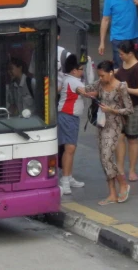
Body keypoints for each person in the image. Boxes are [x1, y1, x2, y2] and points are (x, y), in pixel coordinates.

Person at [88, 60, 134, 205]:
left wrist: (112, 110)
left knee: (107, 156)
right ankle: (112, 193)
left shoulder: (121, 87)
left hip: (114, 124)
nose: (100, 78)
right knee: (103, 158)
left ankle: (123, 184)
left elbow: (129, 109)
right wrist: (80, 91)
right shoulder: (100, 83)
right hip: (102, 123)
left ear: (111, 73)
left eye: (102, 75)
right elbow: (86, 88)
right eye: (99, 76)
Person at [114, 40, 138, 182]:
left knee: (132, 138)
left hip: (134, 107)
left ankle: (131, 169)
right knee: (120, 137)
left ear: (130, 54)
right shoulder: (123, 65)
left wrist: (126, 89)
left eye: (122, 54)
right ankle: (120, 168)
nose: (120, 56)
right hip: (120, 107)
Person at [57, 54, 88, 194]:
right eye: (81, 69)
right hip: (68, 117)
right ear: (74, 70)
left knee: (70, 149)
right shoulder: (74, 81)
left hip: (70, 117)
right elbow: (88, 92)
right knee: (69, 149)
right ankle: (64, 179)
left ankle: (68, 176)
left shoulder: (70, 79)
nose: (83, 72)